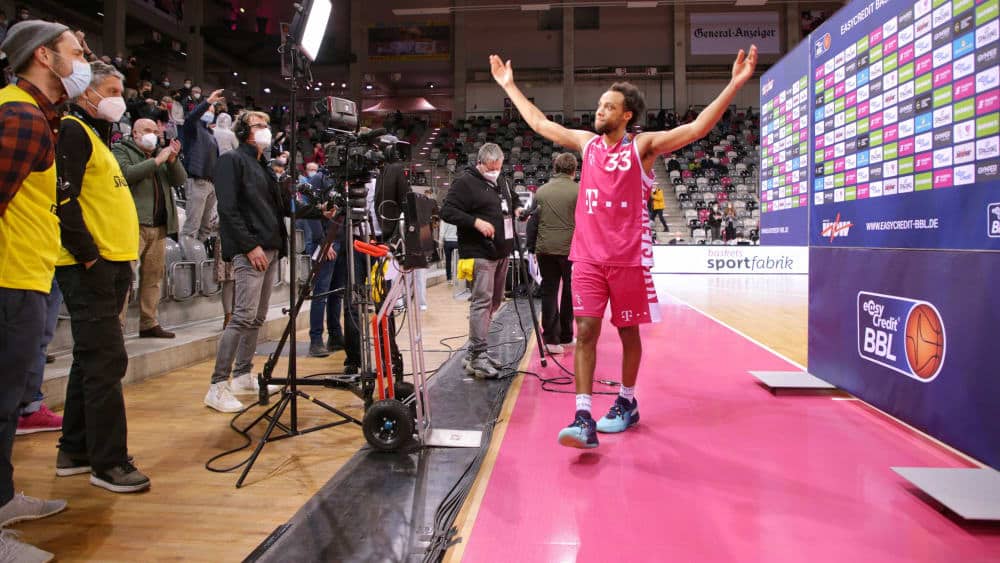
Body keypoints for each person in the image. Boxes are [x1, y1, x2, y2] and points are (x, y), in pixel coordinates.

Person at [489, 44, 757, 448]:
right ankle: (583, 417)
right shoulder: (587, 145)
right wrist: (509, 86)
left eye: (608, 107)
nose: (599, 111)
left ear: (626, 115)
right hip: (587, 258)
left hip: (628, 260)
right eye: (600, 105)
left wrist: (734, 84)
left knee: (628, 333)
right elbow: (541, 123)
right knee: (585, 331)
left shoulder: (642, 146)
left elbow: (697, 128)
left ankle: (627, 402)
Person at [0, 21, 85, 557]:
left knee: (7, 406)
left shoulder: (33, 114)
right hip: (10, 279)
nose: (83, 61)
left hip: (25, 274)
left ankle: (3, 498)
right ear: (44, 57)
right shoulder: (21, 116)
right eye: (76, 51)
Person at [55, 60, 151, 492]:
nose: (119, 100)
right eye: (111, 91)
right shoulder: (72, 130)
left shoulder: (96, 137)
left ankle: (75, 449)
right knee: (107, 361)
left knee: (90, 358)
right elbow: (64, 198)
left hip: (110, 263)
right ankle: (109, 462)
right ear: (85, 93)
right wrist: (89, 256)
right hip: (90, 265)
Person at [205, 111, 329, 412]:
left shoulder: (263, 166)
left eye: (266, 125)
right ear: (244, 130)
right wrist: (250, 246)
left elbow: (284, 206)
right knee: (242, 317)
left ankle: (242, 374)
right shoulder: (231, 161)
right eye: (259, 125)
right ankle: (217, 385)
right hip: (252, 250)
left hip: (272, 248)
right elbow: (228, 209)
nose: (266, 130)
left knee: (257, 317)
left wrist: (319, 211)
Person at [440, 143, 523, 378]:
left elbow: (514, 198)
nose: (495, 171)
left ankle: (475, 351)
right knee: (482, 303)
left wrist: (517, 209)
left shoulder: (502, 180)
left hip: (501, 250)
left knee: (495, 302)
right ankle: (478, 355)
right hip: (479, 252)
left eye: (498, 167)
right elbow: (447, 211)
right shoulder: (465, 182)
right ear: (480, 163)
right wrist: (475, 222)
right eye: (491, 168)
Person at [112, 117, 187, 338]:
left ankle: (148, 322)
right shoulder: (121, 150)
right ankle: (116, 327)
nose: (152, 135)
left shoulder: (159, 155)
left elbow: (179, 180)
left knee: (154, 277)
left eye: (155, 131)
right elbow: (125, 174)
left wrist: (172, 160)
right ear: (135, 133)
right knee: (124, 277)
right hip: (133, 224)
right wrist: (157, 161)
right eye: (147, 130)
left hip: (159, 225)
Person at [532, 153, 579, 355]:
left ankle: (551, 339)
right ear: (573, 170)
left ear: (555, 168)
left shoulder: (541, 191)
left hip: (545, 249)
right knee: (569, 291)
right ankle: (566, 335)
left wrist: (531, 248)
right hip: (570, 250)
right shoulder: (578, 191)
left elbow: (533, 222)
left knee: (549, 291)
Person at [180, 88, 223, 242]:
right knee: (192, 226)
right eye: (208, 109)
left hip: (211, 183)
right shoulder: (193, 128)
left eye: (212, 110)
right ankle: (187, 255)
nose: (210, 112)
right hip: (198, 181)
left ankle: (200, 253)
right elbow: (191, 117)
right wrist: (208, 102)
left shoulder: (211, 134)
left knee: (205, 227)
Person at [440, 220, 458, 285]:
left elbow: (442, 232)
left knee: (448, 261)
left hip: (447, 242)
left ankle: (449, 279)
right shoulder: (456, 216)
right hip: (456, 241)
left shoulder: (443, 219)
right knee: (457, 261)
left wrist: (441, 243)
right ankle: (457, 277)